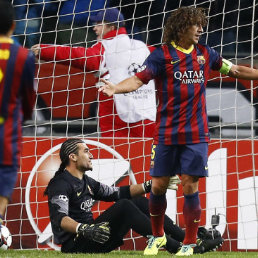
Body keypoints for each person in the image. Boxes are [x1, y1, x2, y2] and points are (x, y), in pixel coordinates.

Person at [98, 6, 258, 256]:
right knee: (159, 186)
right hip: (165, 133)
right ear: (183, 27)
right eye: (197, 25)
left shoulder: (207, 54)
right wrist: (115, 88)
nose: (201, 30)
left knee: (189, 186)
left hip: (196, 134)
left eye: (202, 25)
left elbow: (236, 70)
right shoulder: (161, 56)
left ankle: (189, 242)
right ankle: (158, 236)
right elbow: (139, 79)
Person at [44, 138, 223, 254]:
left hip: (96, 236)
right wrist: (84, 228)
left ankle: (189, 241)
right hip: (76, 245)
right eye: (86, 151)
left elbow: (118, 192)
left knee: (134, 200)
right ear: (73, 157)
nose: (91, 155)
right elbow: (60, 218)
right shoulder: (60, 183)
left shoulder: (87, 182)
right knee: (124, 206)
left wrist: (150, 185)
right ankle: (176, 248)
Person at [31, 8, 156, 138]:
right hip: (148, 117)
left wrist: (45, 51)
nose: (94, 28)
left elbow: (77, 55)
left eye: (98, 24)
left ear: (111, 27)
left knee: (116, 156)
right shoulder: (145, 47)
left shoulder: (105, 48)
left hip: (118, 123)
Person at [0, 0, 36, 232]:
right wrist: (26, 115)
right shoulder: (23, 56)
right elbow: (28, 96)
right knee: (3, 175)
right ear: (14, 25)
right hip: (6, 131)